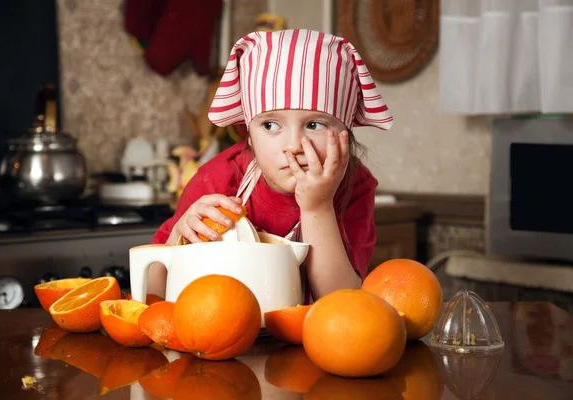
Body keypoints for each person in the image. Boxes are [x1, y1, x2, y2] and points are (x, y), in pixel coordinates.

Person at [149, 28, 393, 303]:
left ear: (344, 133)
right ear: (249, 135)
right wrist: (180, 234)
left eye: (314, 125)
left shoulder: (356, 186)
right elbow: (154, 290)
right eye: (270, 125)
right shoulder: (216, 180)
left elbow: (340, 301)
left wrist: (318, 207)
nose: (294, 145)